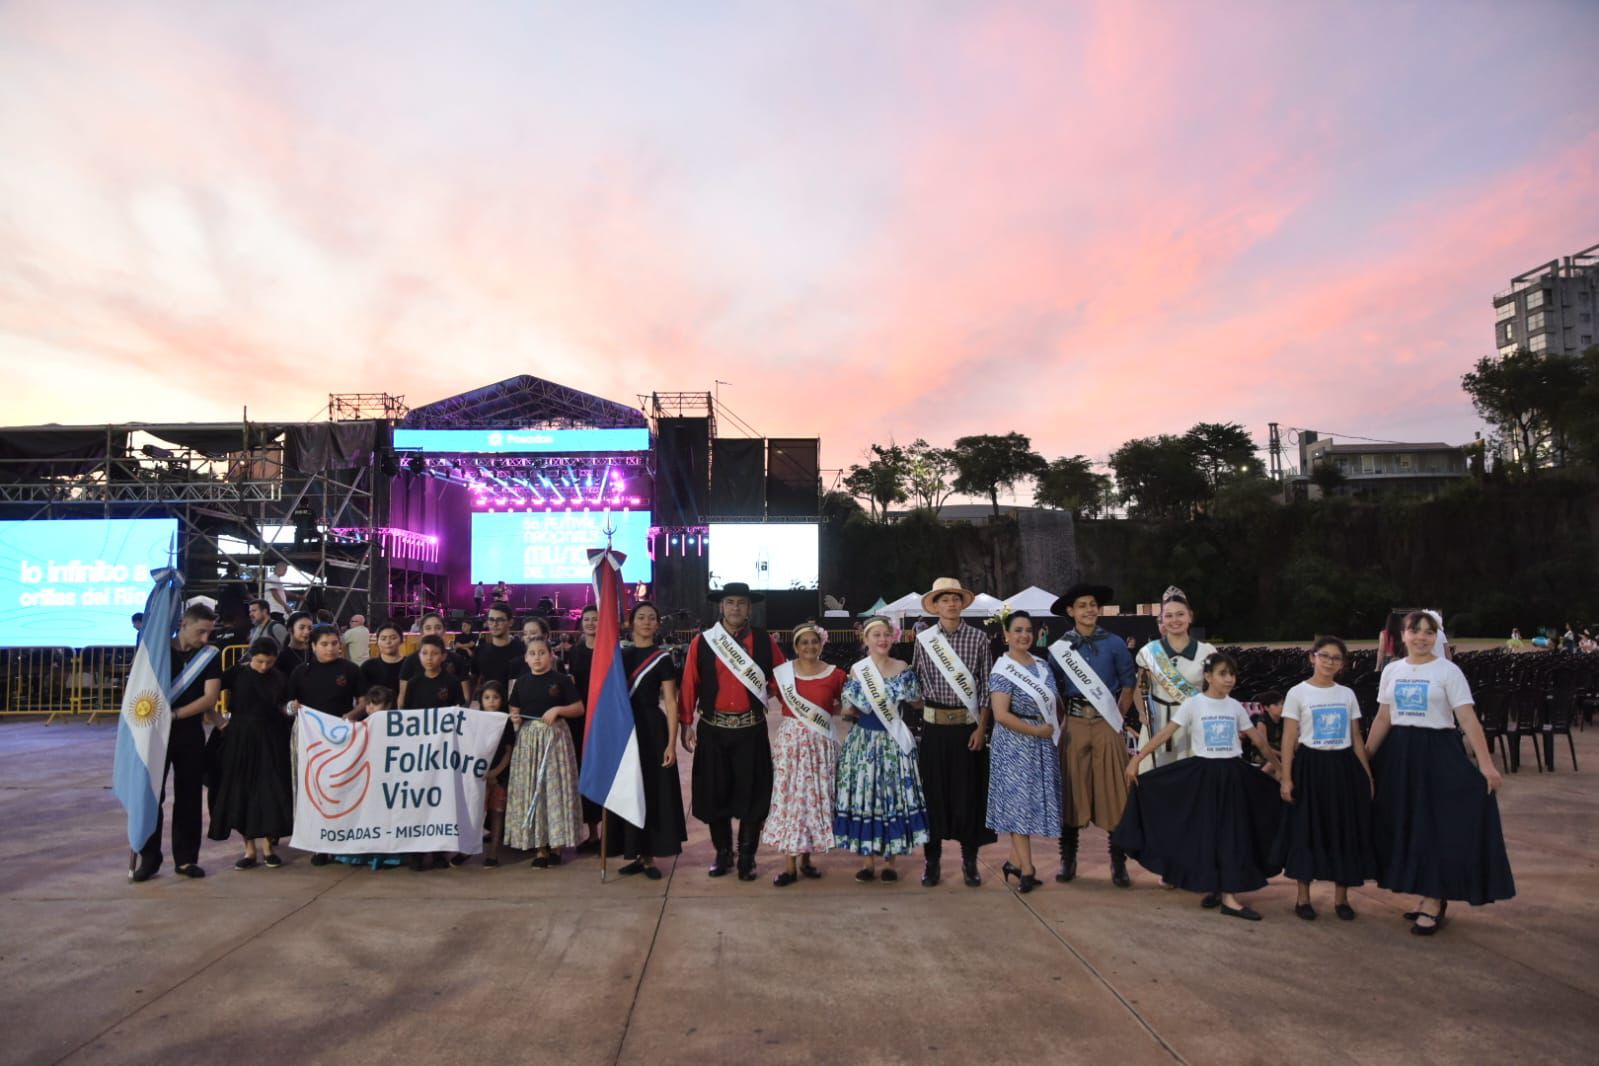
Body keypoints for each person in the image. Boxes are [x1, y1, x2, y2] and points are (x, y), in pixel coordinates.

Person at [1365, 611, 1515, 935]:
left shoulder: (1448, 671)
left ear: (1436, 637)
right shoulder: (1392, 670)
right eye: (1415, 630)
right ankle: (1424, 892)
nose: (1421, 637)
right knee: (1408, 825)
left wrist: (1486, 764)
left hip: (1438, 751)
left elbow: (1468, 718)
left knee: (1436, 826)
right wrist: (1365, 758)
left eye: (1428, 632)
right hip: (1400, 754)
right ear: (1402, 635)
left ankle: (1434, 900)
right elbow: (1383, 717)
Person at [1113, 652, 1283, 920]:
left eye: (1232, 674)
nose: (1229, 679)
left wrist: (1281, 769)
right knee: (1208, 834)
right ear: (1208, 676)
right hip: (1204, 776)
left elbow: (1259, 742)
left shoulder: (1235, 706)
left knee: (1231, 835)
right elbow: (1166, 733)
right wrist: (1137, 759)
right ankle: (1216, 888)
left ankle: (1229, 896)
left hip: (1233, 776)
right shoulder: (1194, 704)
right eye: (1223, 674)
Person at [678, 582, 785, 880]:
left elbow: (781, 677)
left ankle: (747, 857)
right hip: (713, 729)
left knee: (753, 794)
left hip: (751, 729)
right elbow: (690, 682)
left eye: (741, 602)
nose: (735, 607)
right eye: (730, 602)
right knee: (715, 793)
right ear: (721, 606)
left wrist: (774, 694)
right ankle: (723, 853)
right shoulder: (703, 642)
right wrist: (685, 722)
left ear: (749, 608)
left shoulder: (764, 641)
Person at [1272, 637, 1376, 921]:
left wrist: (1366, 775)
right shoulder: (1298, 693)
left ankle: (1342, 899)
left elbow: (1356, 737)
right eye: (1324, 656)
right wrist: (1286, 777)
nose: (1329, 662)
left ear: (1342, 664)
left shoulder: (1347, 694)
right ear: (1312, 657)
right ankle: (1303, 898)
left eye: (1336, 658)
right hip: (1310, 766)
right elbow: (1289, 738)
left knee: (1343, 830)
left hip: (1343, 766)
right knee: (1306, 830)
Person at [1045, 583, 1138, 887]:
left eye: (1093, 604)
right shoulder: (1059, 649)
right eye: (1082, 605)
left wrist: (1117, 718)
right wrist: (1063, 721)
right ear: (1071, 611)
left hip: (1106, 723)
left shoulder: (1115, 643)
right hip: (1074, 722)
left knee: (1115, 792)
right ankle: (1068, 859)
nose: (1089, 610)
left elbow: (1128, 684)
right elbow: (1054, 690)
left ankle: (1118, 863)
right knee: (1071, 790)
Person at [910, 577, 995, 888]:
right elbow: (915, 680)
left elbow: (987, 686)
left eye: (955, 598)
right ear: (936, 606)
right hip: (933, 730)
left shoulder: (979, 638)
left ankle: (969, 862)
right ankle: (931, 862)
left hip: (967, 729)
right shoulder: (924, 640)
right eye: (944, 599)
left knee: (967, 795)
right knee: (932, 795)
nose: (951, 604)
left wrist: (982, 728)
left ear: (962, 603)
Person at [130, 604, 223, 882]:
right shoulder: (156, 650)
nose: (205, 638)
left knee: (189, 796)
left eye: (209, 632)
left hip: (189, 731)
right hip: (153, 732)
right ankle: (149, 857)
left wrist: (174, 715)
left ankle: (186, 858)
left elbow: (209, 698)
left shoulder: (209, 656)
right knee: (151, 796)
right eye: (200, 631)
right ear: (183, 624)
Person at [834, 616, 928, 882]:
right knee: (867, 797)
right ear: (865, 639)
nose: (882, 639)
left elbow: (917, 702)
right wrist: (849, 709)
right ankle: (868, 862)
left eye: (886, 634)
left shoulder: (903, 667)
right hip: (864, 742)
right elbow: (848, 709)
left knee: (893, 797)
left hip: (894, 741)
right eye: (876, 635)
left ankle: (890, 862)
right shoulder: (858, 670)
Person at [607, 602, 688, 878]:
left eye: (651, 618)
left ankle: (649, 856)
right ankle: (633, 851)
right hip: (624, 729)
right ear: (631, 622)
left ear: (657, 625)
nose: (646, 622)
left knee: (651, 790)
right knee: (628, 790)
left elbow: (671, 702)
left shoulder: (662, 658)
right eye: (641, 617)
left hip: (652, 730)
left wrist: (671, 743)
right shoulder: (619, 656)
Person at [762, 621, 845, 887]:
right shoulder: (782, 675)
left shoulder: (836, 674)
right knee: (791, 799)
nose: (810, 646)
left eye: (814, 641)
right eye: (804, 642)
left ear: (821, 644)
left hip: (821, 744)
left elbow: (844, 705)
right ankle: (790, 866)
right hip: (792, 743)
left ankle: (807, 859)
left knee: (814, 799)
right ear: (796, 647)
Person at [987, 611, 1061, 894]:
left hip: (1042, 743)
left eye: (1028, 630)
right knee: (1018, 805)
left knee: (1030, 804)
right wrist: (1036, 731)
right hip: (1015, 744)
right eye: (1017, 630)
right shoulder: (1002, 669)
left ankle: (1014, 862)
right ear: (1006, 635)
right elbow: (1001, 714)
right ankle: (1028, 870)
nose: (1024, 635)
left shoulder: (1043, 665)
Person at [208, 639, 293, 869]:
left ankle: (268, 847)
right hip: (240, 737)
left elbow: (282, 706)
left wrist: (290, 709)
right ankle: (249, 850)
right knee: (242, 791)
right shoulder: (236, 673)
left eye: (269, 662)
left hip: (272, 737)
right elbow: (208, 695)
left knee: (270, 790)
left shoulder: (279, 677)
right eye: (260, 662)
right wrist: (219, 722)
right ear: (250, 657)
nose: (264, 667)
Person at [503, 638, 584, 866]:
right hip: (529, 741)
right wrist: (515, 718)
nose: (537, 657)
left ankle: (557, 846)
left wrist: (558, 709)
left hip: (555, 739)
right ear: (526, 658)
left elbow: (579, 708)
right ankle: (540, 847)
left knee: (555, 787)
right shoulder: (521, 683)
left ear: (551, 655)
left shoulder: (561, 680)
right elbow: (515, 709)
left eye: (541, 652)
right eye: (532, 653)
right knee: (533, 788)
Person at [1134, 587, 1217, 769]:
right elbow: (1139, 690)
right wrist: (1142, 713)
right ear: (1162, 619)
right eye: (1169, 615)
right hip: (1157, 722)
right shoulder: (1149, 652)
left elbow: (1216, 693)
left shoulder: (1206, 651)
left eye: (1180, 614)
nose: (1175, 620)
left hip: (1193, 722)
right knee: (1155, 777)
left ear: (1190, 616)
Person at [565, 604, 603, 851]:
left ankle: (608, 831)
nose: (590, 623)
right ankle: (591, 833)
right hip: (580, 718)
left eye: (595, 619)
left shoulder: (610, 649)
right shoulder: (575, 652)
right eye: (587, 619)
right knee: (584, 771)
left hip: (604, 717)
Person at [471, 681, 512, 868]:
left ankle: (493, 852)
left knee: (497, 813)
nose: (491, 701)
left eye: (496, 697)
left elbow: (508, 751)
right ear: (480, 700)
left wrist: (496, 772)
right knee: (475, 812)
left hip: (499, 777)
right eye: (487, 697)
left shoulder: (506, 721)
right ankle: (468, 850)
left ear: (502, 700)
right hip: (478, 776)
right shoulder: (475, 721)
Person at [398, 613, 472, 709]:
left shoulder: (457, 660)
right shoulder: (410, 661)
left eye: (438, 628)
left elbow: (465, 698)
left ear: (444, 630)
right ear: (421, 632)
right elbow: (402, 700)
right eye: (428, 628)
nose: (433, 632)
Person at [471, 602, 526, 700]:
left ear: (510, 622)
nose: (494, 624)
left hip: (516, 706)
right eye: (491, 620)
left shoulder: (522, 650)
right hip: (489, 706)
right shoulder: (480, 650)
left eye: (500, 620)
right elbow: (474, 682)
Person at [400, 635, 466, 710]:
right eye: (424, 653)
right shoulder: (413, 683)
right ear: (419, 655)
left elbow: (459, 708)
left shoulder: (453, 681)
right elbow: (408, 710)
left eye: (435, 653)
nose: (429, 658)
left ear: (443, 656)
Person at [1246, 690, 1286, 776]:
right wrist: (1282, 754)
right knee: (1273, 764)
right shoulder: (1262, 721)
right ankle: (1258, 778)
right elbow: (1263, 746)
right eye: (1276, 704)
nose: (1281, 707)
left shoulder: (1285, 720)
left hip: (1280, 751)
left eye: (1282, 704)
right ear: (1266, 708)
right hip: (1264, 753)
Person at [360, 622, 406, 696]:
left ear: (401, 640)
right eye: (383, 639)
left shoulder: (410, 664)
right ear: (377, 641)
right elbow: (363, 696)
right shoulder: (368, 666)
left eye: (393, 638)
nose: (388, 642)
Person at [275, 611, 314, 677]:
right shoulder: (282, 657)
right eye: (302, 628)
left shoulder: (313, 652)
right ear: (290, 629)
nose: (307, 632)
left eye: (310, 628)